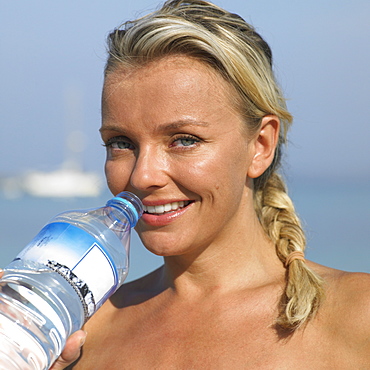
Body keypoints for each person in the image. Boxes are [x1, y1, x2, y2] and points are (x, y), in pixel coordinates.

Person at [6, 0, 369, 368]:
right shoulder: (80, 333)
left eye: (183, 139)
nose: (142, 176)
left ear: (260, 146)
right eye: (121, 143)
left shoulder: (358, 316)